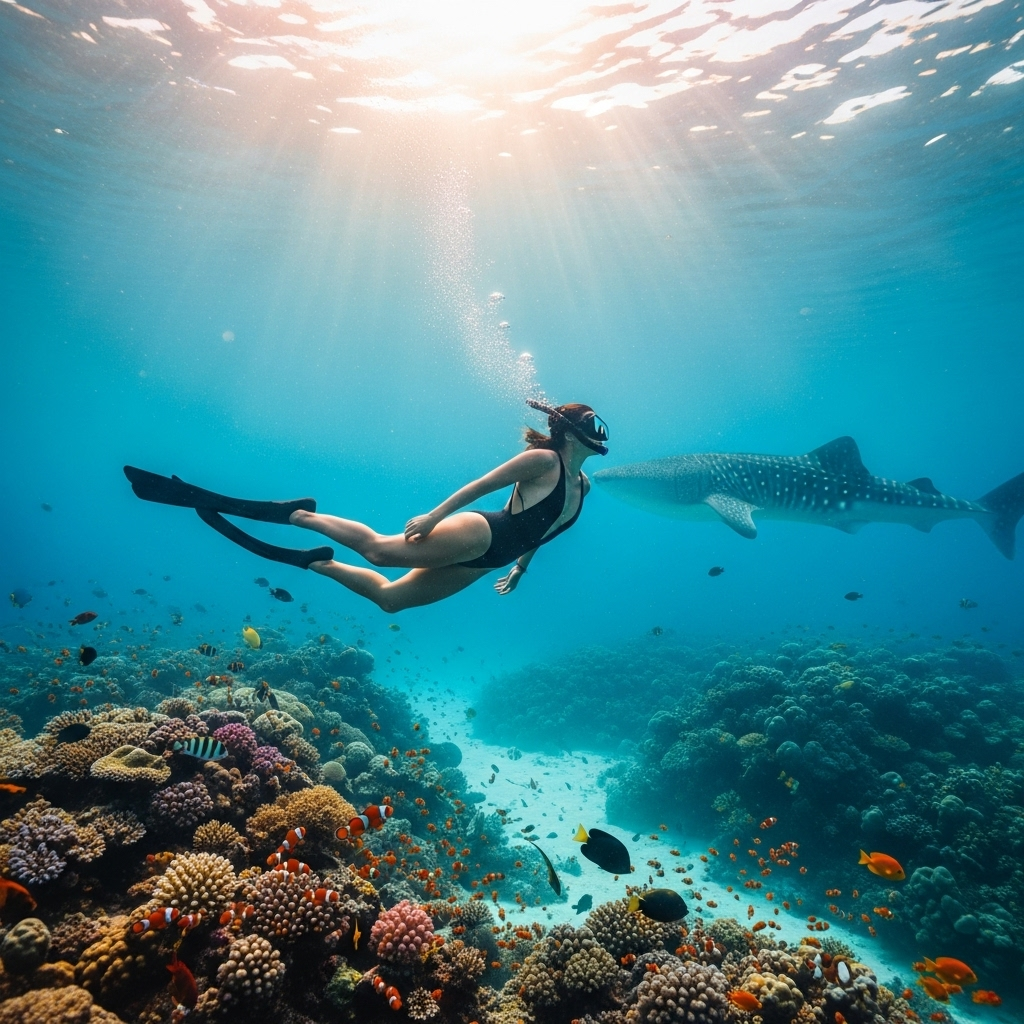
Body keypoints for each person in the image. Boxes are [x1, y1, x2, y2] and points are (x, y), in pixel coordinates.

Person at [123, 399, 608, 612]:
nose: (601, 431)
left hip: (491, 561)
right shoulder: (543, 461)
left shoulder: (581, 486)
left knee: (391, 602)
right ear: (573, 428)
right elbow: (482, 485)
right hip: (481, 533)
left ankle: (314, 562)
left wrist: (520, 570)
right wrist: (436, 517)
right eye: (593, 422)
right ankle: (299, 513)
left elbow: (541, 533)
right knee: (379, 551)